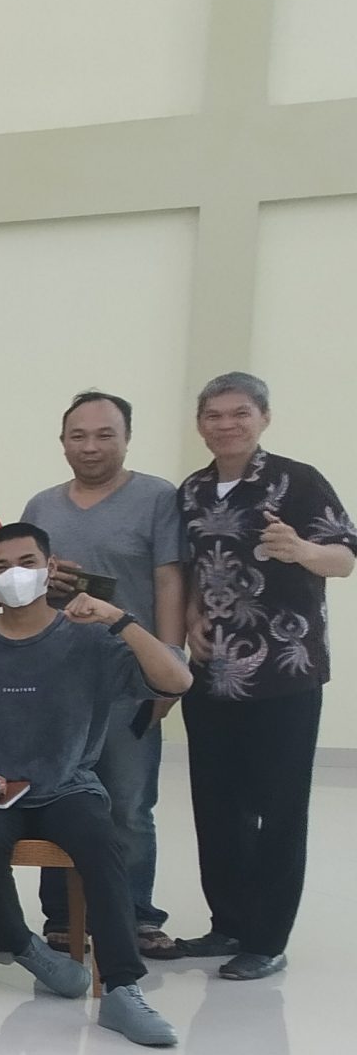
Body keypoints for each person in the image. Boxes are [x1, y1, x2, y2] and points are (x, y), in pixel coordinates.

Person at [0, 524, 193, 1046]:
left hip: (69, 784)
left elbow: (177, 680)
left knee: (101, 841)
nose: (14, 574)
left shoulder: (90, 638)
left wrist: (118, 618)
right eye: (0, 567)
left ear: (50, 569)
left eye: (27, 562)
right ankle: (27, 948)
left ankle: (122, 989)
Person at [172, 372, 356, 979]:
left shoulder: (298, 481)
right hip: (212, 672)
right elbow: (191, 568)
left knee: (278, 808)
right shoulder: (193, 491)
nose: (226, 425)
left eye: (240, 413)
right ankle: (228, 922)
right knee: (216, 804)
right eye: (214, 415)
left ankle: (267, 939)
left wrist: (302, 550)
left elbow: (344, 558)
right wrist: (191, 619)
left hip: (285, 671)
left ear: (264, 418)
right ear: (200, 424)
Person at [20, 391, 185, 960]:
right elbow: (19, 583)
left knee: (129, 804)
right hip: (58, 680)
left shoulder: (157, 499)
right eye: (78, 435)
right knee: (56, 795)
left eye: (104, 434)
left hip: (130, 677)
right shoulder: (42, 506)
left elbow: (169, 583)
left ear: (127, 438)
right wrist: (43, 580)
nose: (90, 446)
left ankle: (136, 915)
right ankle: (64, 916)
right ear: (62, 441)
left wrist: (170, 663)